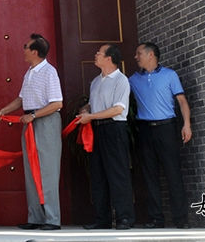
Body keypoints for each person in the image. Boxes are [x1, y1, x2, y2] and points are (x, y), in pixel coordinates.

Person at [0, 33, 63, 231]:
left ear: (34, 51)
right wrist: (3, 111)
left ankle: (52, 219)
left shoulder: (49, 72)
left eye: (26, 46)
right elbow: (21, 99)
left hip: (45, 121)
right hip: (29, 122)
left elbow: (57, 102)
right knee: (31, 170)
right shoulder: (29, 72)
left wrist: (35, 115)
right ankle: (36, 217)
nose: (23, 50)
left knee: (47, 169)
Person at [129, 42, 191, 229]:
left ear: (151, 55)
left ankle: (181, 219)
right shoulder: (132, 79)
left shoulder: (170, 75)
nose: (135, 57)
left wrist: (187, 124)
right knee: (150, 176)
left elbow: (182, 101)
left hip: (167, 128)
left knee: (173, 174)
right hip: (145, 130)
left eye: (139, 53)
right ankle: (156, 219)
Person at [79, 44, 135, 230]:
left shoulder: (121, 80)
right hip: (97, 130)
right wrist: (86, 110)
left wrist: (91, 116)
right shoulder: (95, 81)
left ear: (109, 58)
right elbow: (92, 104)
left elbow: (118, 108)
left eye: (99, 53)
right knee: (98, 175)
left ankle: (124, 218)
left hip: (114, 129)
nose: (95, 55)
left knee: (118, 173)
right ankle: (102, 219)